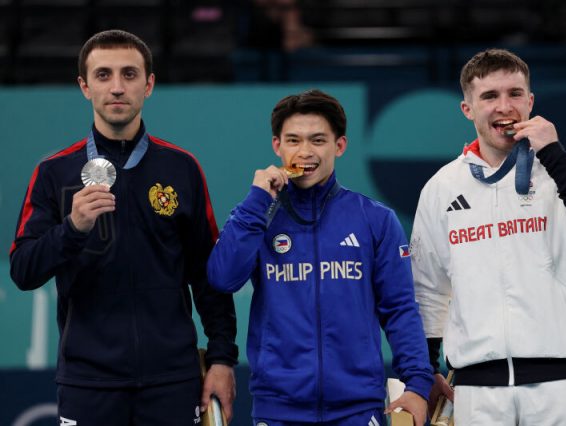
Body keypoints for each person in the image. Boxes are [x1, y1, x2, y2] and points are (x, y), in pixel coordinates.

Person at [9, 29, 238, 425]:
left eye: (129, 74)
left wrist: (221, 358)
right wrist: (72, 228)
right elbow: (23, 270)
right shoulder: (53, 173)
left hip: (171, 381)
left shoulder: (181, 168)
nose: (117, 87)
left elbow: (207, 275)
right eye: (103, 75)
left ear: (149, 84)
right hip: (88, 382)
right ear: (84, 86)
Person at [410, 48, 566, 425]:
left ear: (530, 102)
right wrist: (426, 367)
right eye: (489, 96)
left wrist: (555, 156)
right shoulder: (441, 188)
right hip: (477, 390)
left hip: (558, 385)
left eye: (514, 94)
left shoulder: (565, 169)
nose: (504, 106)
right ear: (468, 109)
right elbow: (429, 287)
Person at [207, 89, 433, 425]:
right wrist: (256, 201)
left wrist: (417, 383)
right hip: (278, 409)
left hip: (357, 409)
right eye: (294, 140)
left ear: (339, 146)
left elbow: (399, 308)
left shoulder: (375, 219)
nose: (305, 152)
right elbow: (222, 278)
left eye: (318, 140)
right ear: (277, 146)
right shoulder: (257, 216)